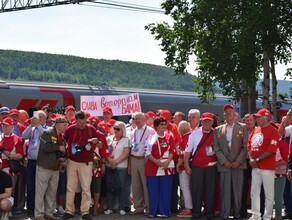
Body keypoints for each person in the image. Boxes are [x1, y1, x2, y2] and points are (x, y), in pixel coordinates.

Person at [62, 111, 100, 220]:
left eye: (84, 123)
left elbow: (100, 145)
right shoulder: (70, 128)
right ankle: (69, 211)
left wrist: (96, 141)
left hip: (86, 162)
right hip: (72, 161)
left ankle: (85, 211)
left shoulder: (91, 129)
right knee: (70, 187)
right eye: (80, 123)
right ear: (76, 120)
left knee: (86, 187)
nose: (82, 125)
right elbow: (64, 141)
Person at [213, 104, 247, 220]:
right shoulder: (218, 129)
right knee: (225, 191)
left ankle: (237, 214)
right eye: (226, 112)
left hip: (238, 165)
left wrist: (238, 161)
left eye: (230, 112)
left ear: (235, 114)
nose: (228, 113)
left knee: (238, 191)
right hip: (224, 165)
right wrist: (224, 161)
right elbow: (216, 148)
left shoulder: (242, 127)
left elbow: (245, 146)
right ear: (224, 115)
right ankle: (225, 214)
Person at [34, 117, 68, 220]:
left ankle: (49, 213)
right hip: (45, 166)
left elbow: (61, 151)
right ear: (58, 124)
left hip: (55, 167)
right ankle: (39, 214)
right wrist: (58, 148)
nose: (66, 127)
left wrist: (63, 158)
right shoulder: (47, 133)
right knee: (41, 192)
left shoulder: (61, 136)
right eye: (64, 124)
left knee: (52, 192)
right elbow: (45, 147)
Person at [185, 112, 217, 220]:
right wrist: (186, 165)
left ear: (213, 122)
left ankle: (209, 213)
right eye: (205, 121)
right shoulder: (195, 133)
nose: (207, 123)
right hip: (197, 166)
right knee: (196, 190)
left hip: (212, 167)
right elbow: (188, 151)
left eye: (209, 121)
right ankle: (196, 213)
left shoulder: (217, 133)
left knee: (210, 191)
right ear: (201, 121)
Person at [248, 109, 279, 220]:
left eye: (258, 117)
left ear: (266, 118)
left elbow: (271, 150)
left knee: (269, 194)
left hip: (267, 167)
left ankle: (267, 216)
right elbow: (249, 146)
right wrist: (252, 159)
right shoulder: (255, 130)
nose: (256, 119)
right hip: (255, 167)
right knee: (254, 192)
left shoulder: (273, 131)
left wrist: (255, 159)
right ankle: (256, 215)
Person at [145, 117, 175, 218]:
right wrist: (156, 162)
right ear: (156, 126)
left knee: (165, 191)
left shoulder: (169, 136)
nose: (163, 126)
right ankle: (153, 212)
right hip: (152, 168)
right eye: (161, 124)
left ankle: (164, 212)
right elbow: (147, 152)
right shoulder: (150, 137)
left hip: (167, 167)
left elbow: (172, 151)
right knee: (153, 191)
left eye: (164, 124)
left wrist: (167, 162)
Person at [22, 110, 48, 217]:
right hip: (32, 161)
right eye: (37, 117)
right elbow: (24, 136)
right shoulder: (32, 129)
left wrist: (38, 126)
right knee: (31, 185)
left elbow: (46, 136)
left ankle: (41, 210)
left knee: (41, 187)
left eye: (41, 117)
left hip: (42, 162)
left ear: (45, 119)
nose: (38, 119)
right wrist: (30, 126)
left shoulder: (47, 129)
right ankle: (30, 209)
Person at [129, 112, 154, 215]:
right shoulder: (132, 132)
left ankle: (148, 208)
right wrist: (130, 164)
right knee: (135, 185)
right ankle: (138, 207)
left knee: (145, 184)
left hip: (145, 159)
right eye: (136, 118)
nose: (137, 120)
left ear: (145, 120)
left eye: (139, 118)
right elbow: (130, 148)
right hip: (134, 158)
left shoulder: (150, 131)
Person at [104, 121, 131, 215]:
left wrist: (116, 162)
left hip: (121, 167)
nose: (115, 130)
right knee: (110, 187)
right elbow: (105, 151)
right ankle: (110, 207)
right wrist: (110, 161)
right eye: (114, 128)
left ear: (122, 129)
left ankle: (121, 207)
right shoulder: (109, 138)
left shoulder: (126, 140)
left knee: (122, 188)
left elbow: (126, 153)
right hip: (110, 166)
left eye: (118, 129)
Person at [240, 113, 256, 218]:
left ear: (254, 121)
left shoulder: (258, 131)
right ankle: (242, 211)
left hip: (255, 163)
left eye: (250, 120)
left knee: (255, 188)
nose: (249, 122)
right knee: (243, 187)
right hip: (244, 162)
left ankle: (257, 211)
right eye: (246, 120)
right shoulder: (241, 132)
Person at [176, 120, 192, 218]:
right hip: (192, 165)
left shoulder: (185, 138)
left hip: (184, 167)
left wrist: (178, 164)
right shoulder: (191, 135)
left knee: (185, 188)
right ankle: (190, 207)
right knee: (189, 188)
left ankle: (188, 208)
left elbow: (183, 153)